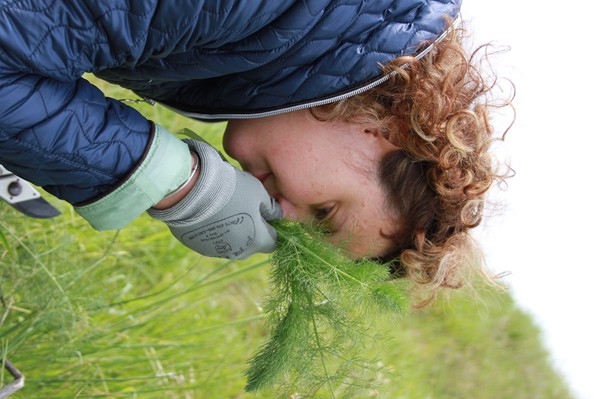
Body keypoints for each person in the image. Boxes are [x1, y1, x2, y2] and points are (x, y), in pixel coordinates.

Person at [0, 1, 510, 298]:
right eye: (323, 212)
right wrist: (168, 180)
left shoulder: (301, 34)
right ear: (388, 132)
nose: (281, 216)